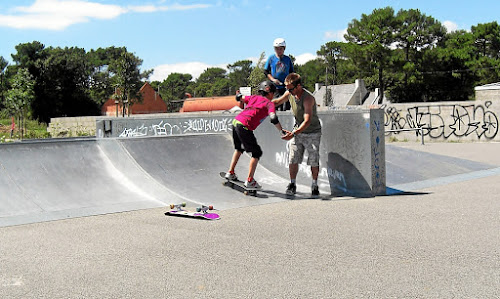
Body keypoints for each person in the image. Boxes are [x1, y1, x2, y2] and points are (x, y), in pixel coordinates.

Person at [226, 81, 285, 189]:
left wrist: (239, 95)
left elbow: (239, 97)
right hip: (244, 126)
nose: (273, 96)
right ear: (270, 93)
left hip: (236, 122)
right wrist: (281, 131)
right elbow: (273, 118)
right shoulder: (269, 103)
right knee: (256, 153)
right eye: (273, 94)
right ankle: (250, 180)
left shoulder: (253, 97)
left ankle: (230, 172)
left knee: (239, 149)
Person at [274, 73, 322, 196]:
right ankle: (292, 183)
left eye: (290, 89)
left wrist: (293, 133)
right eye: (287, 89)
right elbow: (277, 102)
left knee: (313, 160)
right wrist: (261, 104)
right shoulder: (289, 94)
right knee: (293, 158)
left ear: (299, 86)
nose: (288, 91)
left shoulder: (308, 98)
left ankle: (314, 184)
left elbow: (307, 120)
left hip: (312, 133)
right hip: (297, 131)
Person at [264, 38, 294, 111]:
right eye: (277, 49)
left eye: (281, 49)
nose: (279, 51)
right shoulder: (271, 58)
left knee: (287, 106)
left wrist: (289, 82)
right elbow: (266, 71)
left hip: (286, 86)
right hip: (275, 87)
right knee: (274, 105)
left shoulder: (287, 59)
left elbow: (291, 73)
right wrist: (273, 80)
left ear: (284, 49)